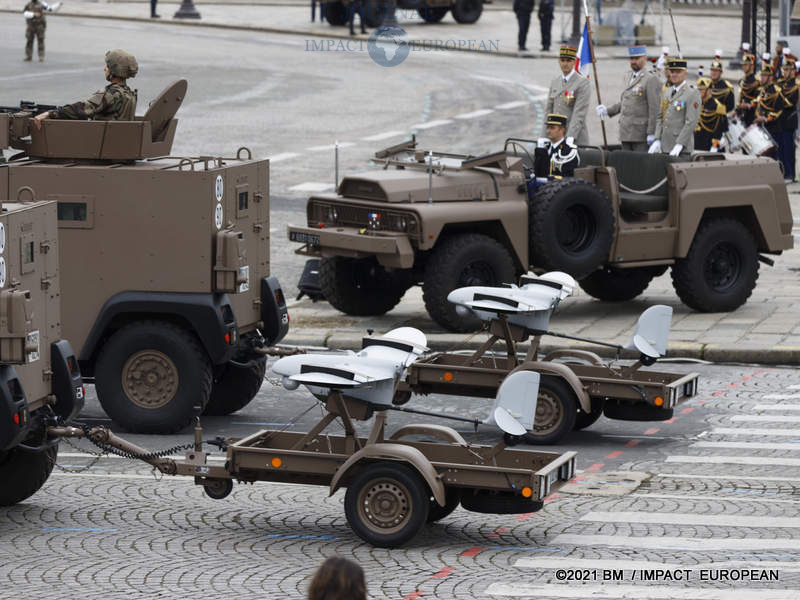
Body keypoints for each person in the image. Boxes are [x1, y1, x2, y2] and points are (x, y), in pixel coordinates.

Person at [33, 49, 138, 128]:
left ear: (114, 70)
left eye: (107, 66)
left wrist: (50, 114)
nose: (105, 69)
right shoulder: (129, 93)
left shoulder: (110, 94)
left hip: (101, 142)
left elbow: (81, 109)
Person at [595, 45, 661, 151]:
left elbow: (654, 109)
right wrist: (607, 111)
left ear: (645, 59)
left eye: (637, 58)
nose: (633, 61)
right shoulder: (628, 76)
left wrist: (652, 132)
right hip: (625, 132)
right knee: (625, 160)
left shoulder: (651, 79)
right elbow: (626, 102)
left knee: (639, 161)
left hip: (641, 134)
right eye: (631, 58)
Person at [649, 57, 701, 156]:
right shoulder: (667, 91)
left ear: (685, 73)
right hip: (664, 145)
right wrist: (657, 138)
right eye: (672, 72)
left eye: (678, 72)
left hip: (681, 148)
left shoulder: (692, 93)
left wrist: (680, 143)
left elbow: (691, 122)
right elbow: (660, 117)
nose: (674, 75)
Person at [546, 45, 590, 145]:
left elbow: (579, 113)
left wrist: (570, 136)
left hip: (575, 138)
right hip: (555, 137)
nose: (565, 64)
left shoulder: (582, 82)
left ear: (574, 62)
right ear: (558, 61)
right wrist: (544, 135)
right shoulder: (555, 81)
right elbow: (548, 110)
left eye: (569, 61)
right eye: (562, 60)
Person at [534, 113, 579, 178]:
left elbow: (569, 177)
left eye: (552, 128)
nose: (548, 131)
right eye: (547, 128)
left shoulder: (569, 151)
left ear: (562, 130)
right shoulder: (544, 148)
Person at [777, 58, 798, 182]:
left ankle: (791, 174)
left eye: (787, 70)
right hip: (779, 121)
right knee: (780, 149)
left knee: (789, 149)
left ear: (793, 71)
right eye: (784, 70)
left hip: (789, 121)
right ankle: (783, 173)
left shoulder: (796, 86)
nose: (784, 72)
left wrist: (777, 99)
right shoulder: (780, 84)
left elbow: (791, 102)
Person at [694, 77, 727, 151]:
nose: (699, 92)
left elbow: (720, 130)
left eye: (702, 90)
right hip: (697, 142)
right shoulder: (697, 103)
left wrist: (715, 146)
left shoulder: (718, 106)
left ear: (708, 91)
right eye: (698, 89)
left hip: (709, 144)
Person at [737, 52, 760, 127]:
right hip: (742, 114)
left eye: (746, 65)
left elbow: (759, 99)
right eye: (743, 65)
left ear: (752, 66)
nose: (743, 67)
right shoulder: (742, 80)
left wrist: (748, 105)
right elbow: (740, 98)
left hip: (751, 116)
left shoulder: (756, 81)